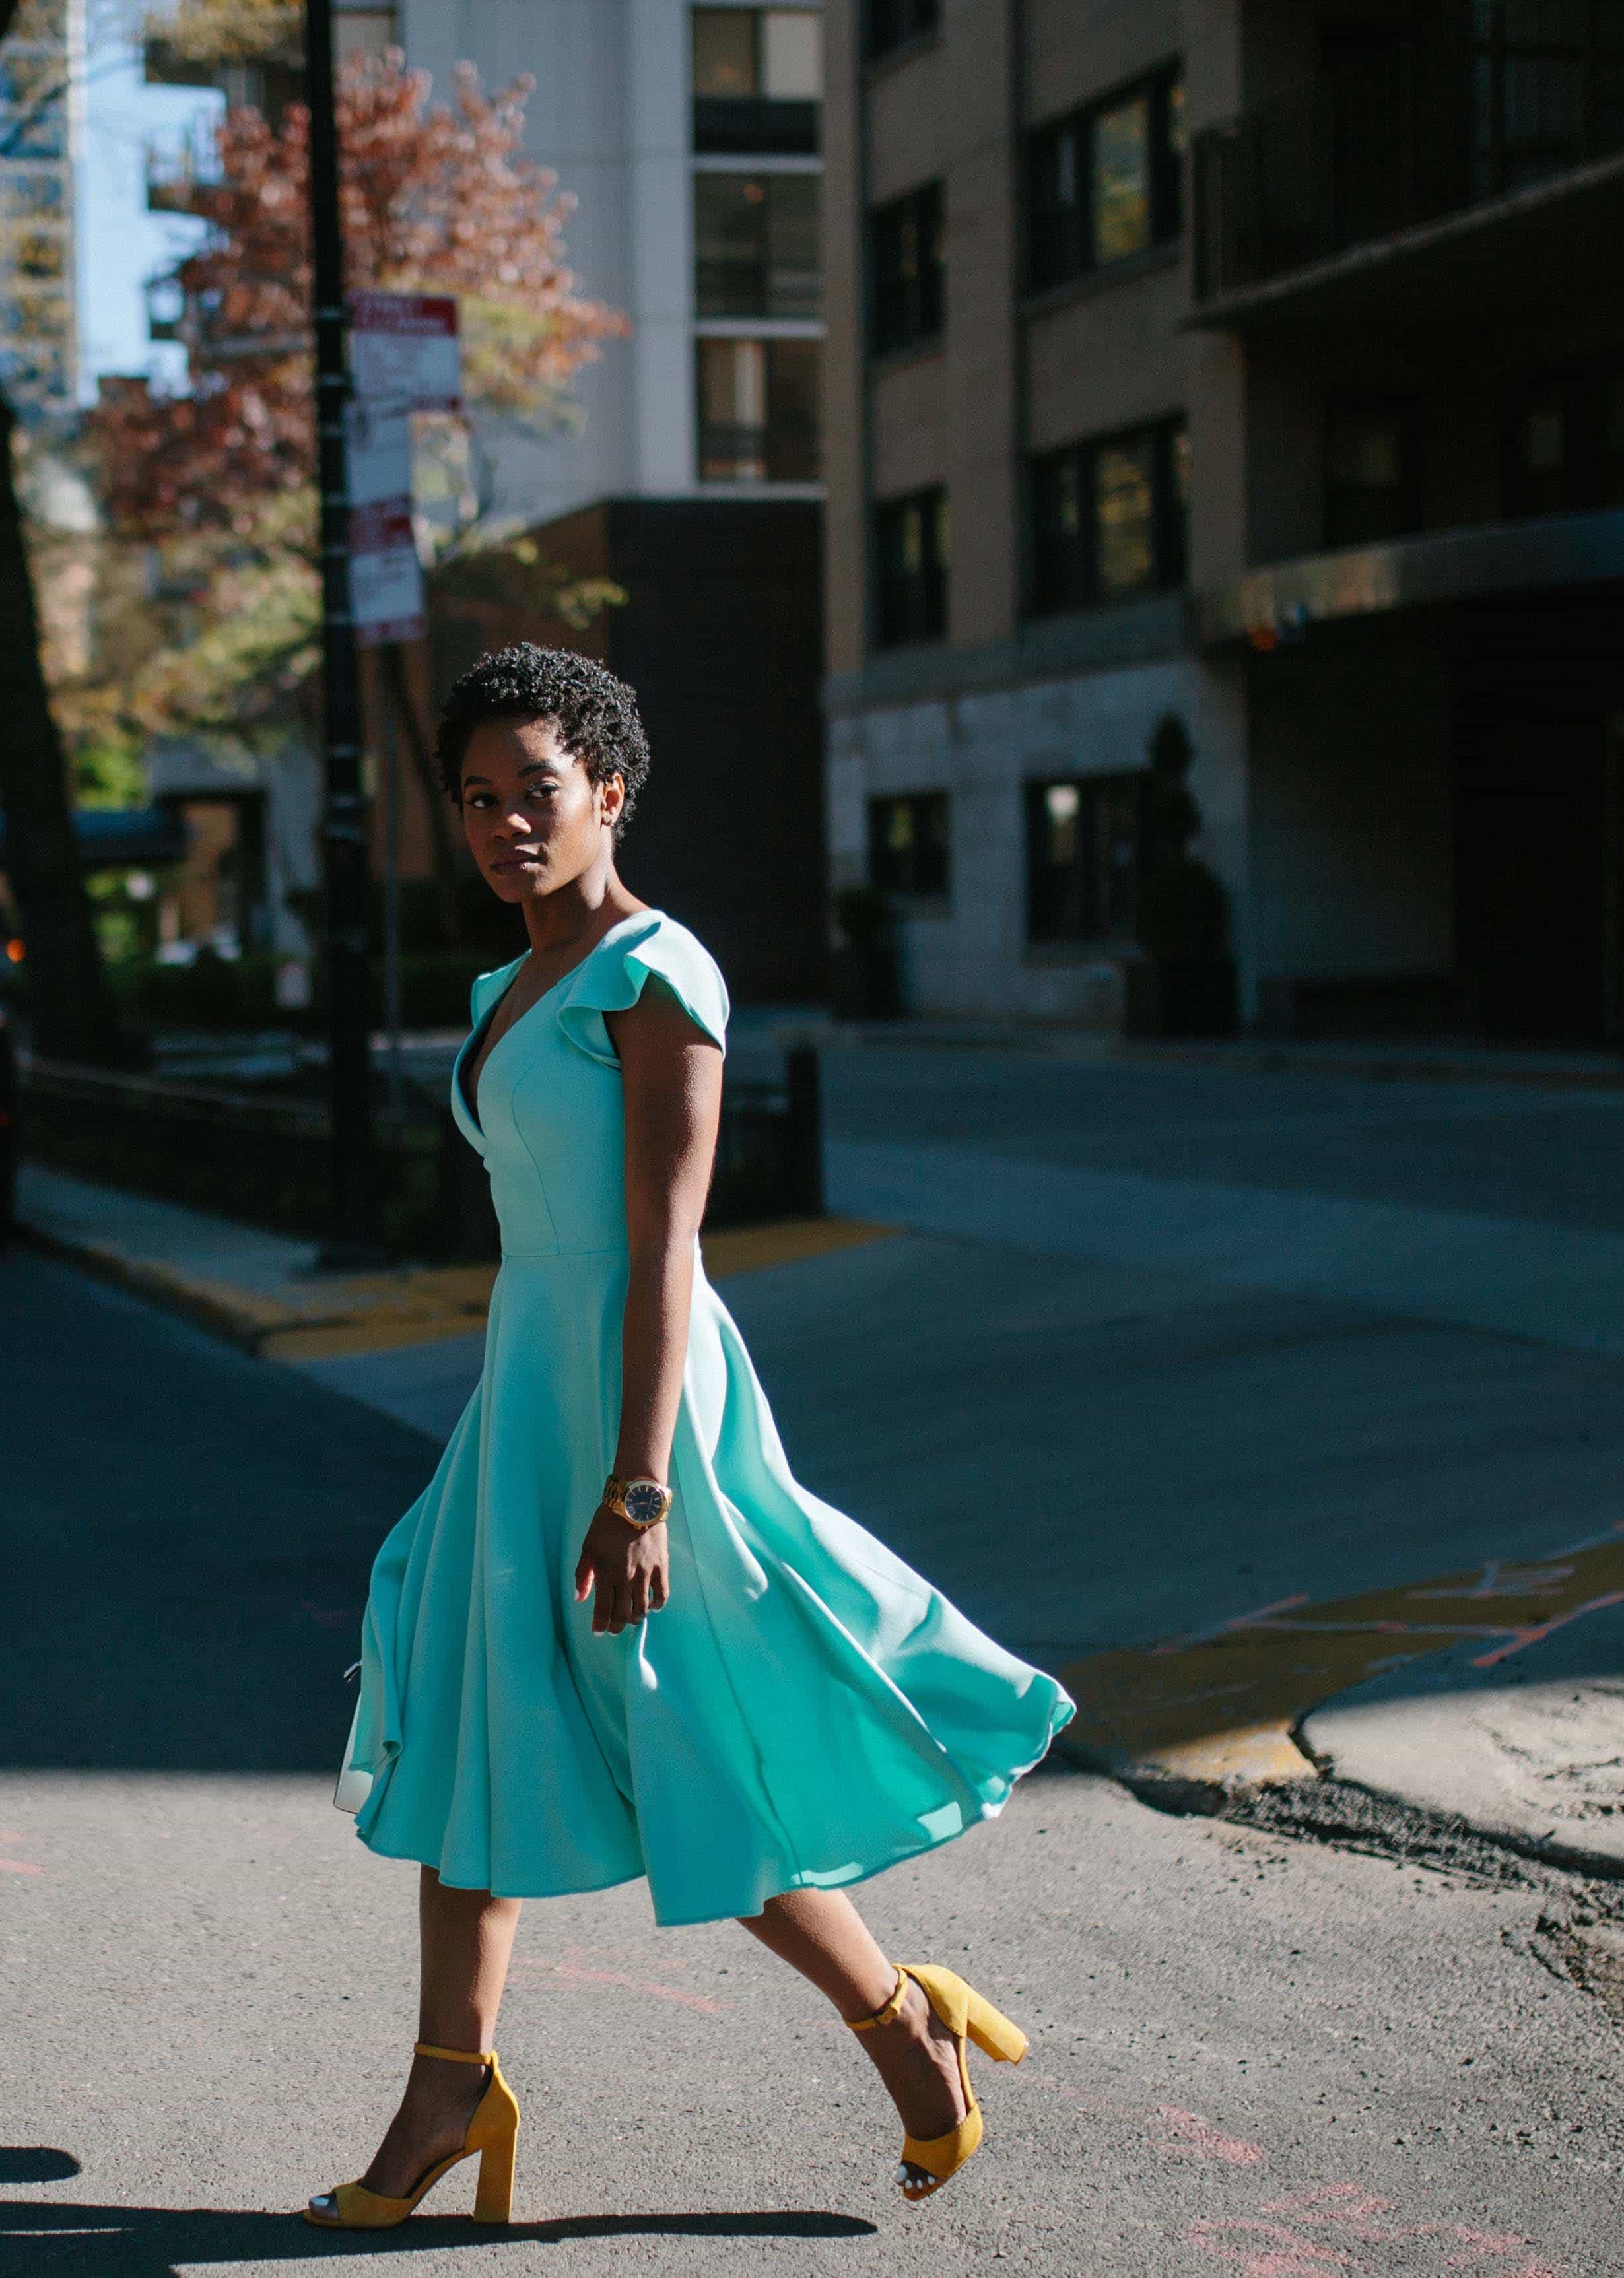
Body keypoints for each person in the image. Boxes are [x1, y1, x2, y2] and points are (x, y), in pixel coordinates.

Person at [306, 646, 1073, 2230]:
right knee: (475, 1721)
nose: (509, 819)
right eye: (478, 796)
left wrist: (639, 1483)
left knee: (689, 1751)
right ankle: (451, 2082)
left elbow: (665, 1245)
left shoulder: (658, 977)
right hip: (531, 1389)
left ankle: (902, 2022)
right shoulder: (500, 987)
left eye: (539, 787)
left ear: (611, 787)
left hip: (637, 1405)